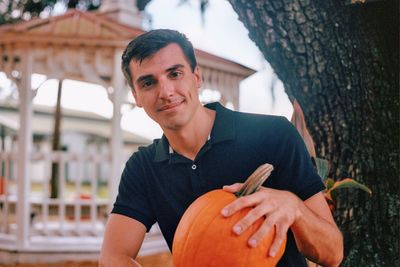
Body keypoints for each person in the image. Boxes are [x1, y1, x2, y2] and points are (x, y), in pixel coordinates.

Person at [99, 29, 343, 267]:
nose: (165, 92)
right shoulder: (143, 167)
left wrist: (295, 207)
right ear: (137, 96)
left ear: (197, 77)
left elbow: (332, 253)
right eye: (148, 83)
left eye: (175, 74)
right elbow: (112, 257)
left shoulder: (273, 135)